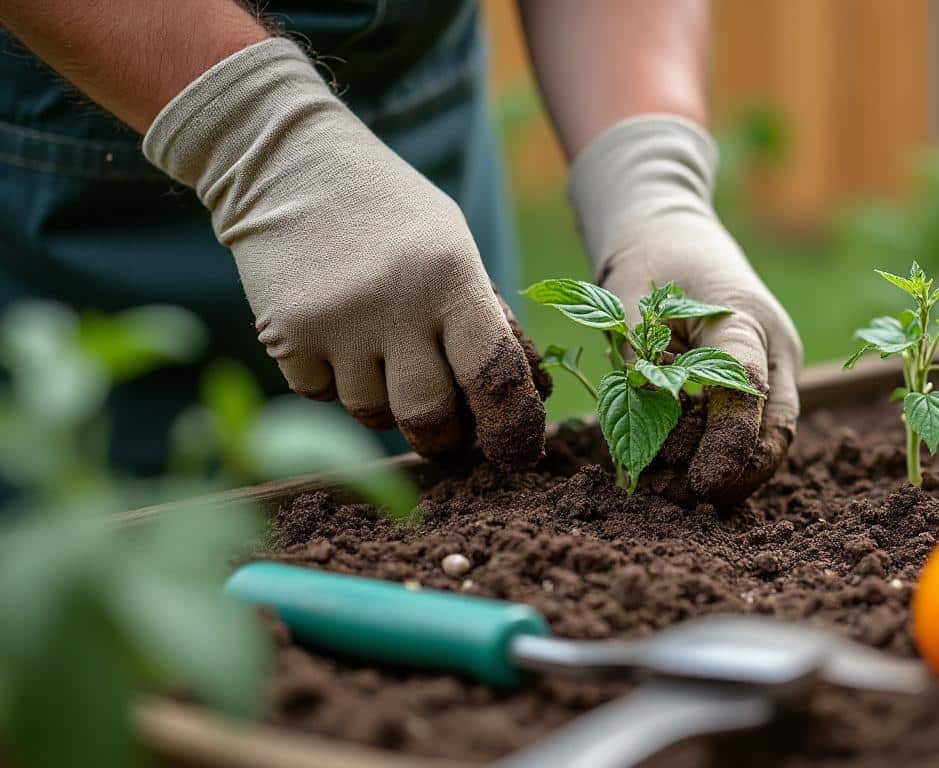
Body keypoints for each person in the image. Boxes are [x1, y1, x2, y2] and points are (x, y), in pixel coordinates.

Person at [0, 0, 802, 504]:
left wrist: (648, 177)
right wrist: (251, 131)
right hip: (73, 171)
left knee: (453, 484)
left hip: (422, 167)